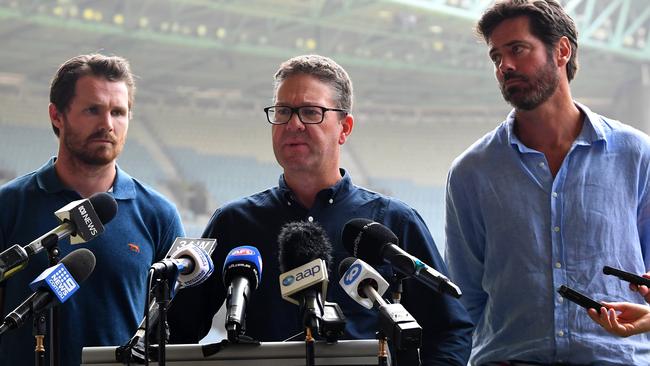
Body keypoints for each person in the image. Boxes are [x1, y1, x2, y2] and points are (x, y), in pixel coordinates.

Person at [168, 54, 473, 365]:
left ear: (344, 128)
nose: (293, 124)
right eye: (283, 111)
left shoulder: (393, 222)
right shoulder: (233, 222)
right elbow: (177, 330)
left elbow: (449, 330)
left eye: (311, 112)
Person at [444, 0, 650, 364]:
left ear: (562, 51)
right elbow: (464, 297)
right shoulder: (470, 172)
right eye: (496, 57)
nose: (504, 66)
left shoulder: (637, 154)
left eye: (517, 49)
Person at [0, 54, 184, 366]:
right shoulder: (9, 205)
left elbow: (172, 329)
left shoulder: (159, 215)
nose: (107, 125)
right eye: (92, 110)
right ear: (57, 116)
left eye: (118, 112)